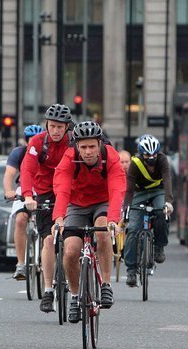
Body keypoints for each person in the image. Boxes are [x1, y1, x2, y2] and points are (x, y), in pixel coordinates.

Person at [52, 121, 126, 323]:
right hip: (76, 204)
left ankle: (106, 285)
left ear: (99, 144)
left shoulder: (110, 155)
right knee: (70, 251)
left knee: (102, 231)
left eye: (92, 146)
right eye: (83, 147)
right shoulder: (69, 158)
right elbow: (62, 189)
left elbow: (118, 188)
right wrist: (59, 218)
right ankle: (75, 298)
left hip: (103, 202)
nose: (88, 152)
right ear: (76, 146)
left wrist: (113, 220)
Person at [20, 103, 73, 313]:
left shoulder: (74, 141)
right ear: (47, 125)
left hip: (69, 191)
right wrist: (27, 195)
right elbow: (27, 169)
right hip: (45, 193)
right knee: (48, 240)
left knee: (73, 240)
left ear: (67, 127)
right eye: (52, 126)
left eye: (60, 126)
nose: (56, 130)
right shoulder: (37, 142)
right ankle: (49, 289)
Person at [122, 134, 173, 287]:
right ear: (141, 154)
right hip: (138, 193)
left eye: (154, 154)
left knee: (160, 213)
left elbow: (167, 180)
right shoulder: (135, 163)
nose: (151, 158)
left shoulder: (163, 160)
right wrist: (126, 209)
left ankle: (159, 247)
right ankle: (131, 270)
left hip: (158, 191)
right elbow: (129, 189)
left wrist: (168, 202)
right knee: (132, 229)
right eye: (147, 155)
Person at [3, 124, 45, 280]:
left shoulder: (47, 152)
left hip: (44, 189)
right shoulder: (18, 153)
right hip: (24, 189)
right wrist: (9, 191)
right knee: (21, 220)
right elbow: (9, 174)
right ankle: (21, 264)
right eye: (29, 140)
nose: (32, 142)